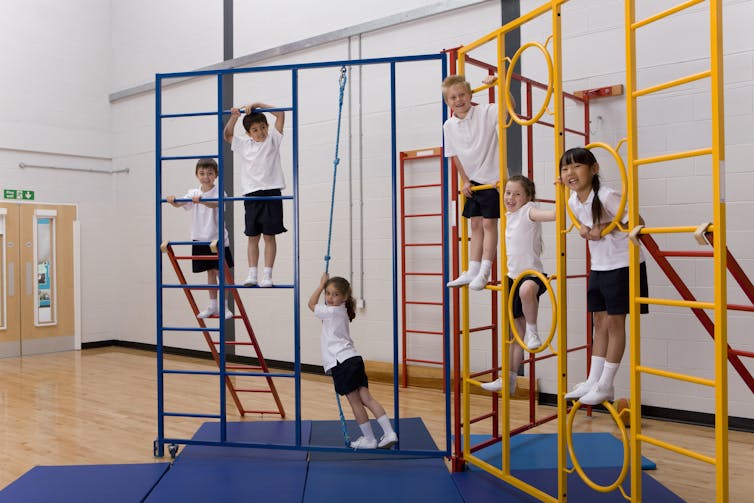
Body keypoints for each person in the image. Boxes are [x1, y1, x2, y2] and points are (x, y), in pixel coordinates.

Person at [560, 147, 649, 406]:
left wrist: (604, 227)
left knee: (613, 323)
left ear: (594, 169)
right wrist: (588, 230)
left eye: (577, 166)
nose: (571, 173)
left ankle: (606, 384)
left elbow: (638, 222)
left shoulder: (607, 195)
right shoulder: (574, 202)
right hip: (599, 266)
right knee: (598, 322)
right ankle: (593, 380)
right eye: (565, 169)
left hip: (623, 265)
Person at [481, 175, 555, 395]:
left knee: (526, 291)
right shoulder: (508, 215)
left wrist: (562, 196)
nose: (510, 198)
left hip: (532, 276)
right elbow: (502, 196)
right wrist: (497, 187)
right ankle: (509, 379)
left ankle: (534, 331)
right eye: (507, 193)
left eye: (517, 194)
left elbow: (552, 215)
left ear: (528, 197)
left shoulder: (528, 210)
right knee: (515, 335)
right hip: (512, 278)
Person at [308, 273, 398, 450]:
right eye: (327, 293)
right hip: (354, 359)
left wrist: (320, 285)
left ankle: (370, 439)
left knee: (355, 402)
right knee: (367, 398)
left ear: (344, 297)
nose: (330, 298)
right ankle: (389, 433)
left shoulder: (332, 311)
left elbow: (310, 304)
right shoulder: (340, 311)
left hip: (342, 362)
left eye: (335, 294)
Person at [443, 75, 506, 290]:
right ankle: (472, 269)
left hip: (492, 177)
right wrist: (465, 180)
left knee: (489, 224)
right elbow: (454, 155)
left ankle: (485, 270)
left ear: (470, 95)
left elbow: (509, 109)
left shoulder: (485, 112)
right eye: (453, 97)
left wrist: (501, 83)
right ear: (447, 102)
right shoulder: (448, 125)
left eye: (462, 95)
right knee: (475, 224)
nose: (458, 100)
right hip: (474, 181)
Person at [224, 102, 286, 288]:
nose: (260, 132)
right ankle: (252, 273)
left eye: (263, 128)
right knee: (252, 236)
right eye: (255, 129)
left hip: (271, 192)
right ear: (249, 133)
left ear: (267, 127)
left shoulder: (273, 140)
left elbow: (281, 114)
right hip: (251, 194)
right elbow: (227, 134)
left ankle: (267, 274)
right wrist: (234, 117)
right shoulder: (244, 145)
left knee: (269, 236)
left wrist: (258, 104)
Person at [167, 158, 234, 320]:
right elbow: (181, 204)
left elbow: (215, 204)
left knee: (221, 273)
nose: (206, 177)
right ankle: (212, 306)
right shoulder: (193, 192)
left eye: (210, 173)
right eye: (202, 173)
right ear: (197, 175)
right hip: (200, 239)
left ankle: (224, 307)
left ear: (216, 175)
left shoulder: (220, 191)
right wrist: (172, 201)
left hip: (217, 240)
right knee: (210, 273)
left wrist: (202, 201)